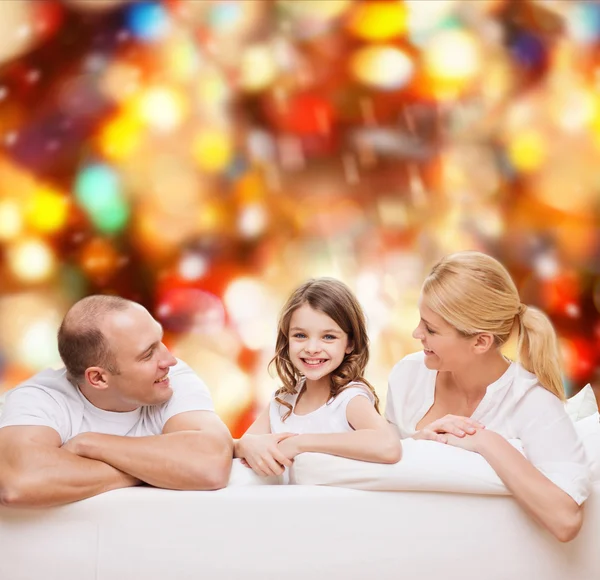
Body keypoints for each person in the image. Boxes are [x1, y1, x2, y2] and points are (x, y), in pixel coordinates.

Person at [385, 251, 592, 542]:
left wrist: (486, 441)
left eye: (431, 329)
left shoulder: (531, 402)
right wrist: (419, 442)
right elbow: (384, 464)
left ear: (481, 342)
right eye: (421, 320)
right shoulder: (408, 375)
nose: (416, 332)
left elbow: (566, 520)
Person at [0, 295, 233, 508]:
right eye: (147, 353)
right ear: (99, 378)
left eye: (160, 342)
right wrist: (159, 471)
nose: (169, 359)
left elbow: (211, 465)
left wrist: (91, 444)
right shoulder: (38, 398)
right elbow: (18, 483)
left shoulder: (170, 378)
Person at [235, 278, 401, 477]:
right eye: (300, 336)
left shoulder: (349, 399)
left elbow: (389, 446)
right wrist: (245, 445)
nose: (312, 348)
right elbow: (239, 448)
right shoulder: (282, 402)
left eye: (328, 337)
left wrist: (300, 443)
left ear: (350, 344)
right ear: (286, 340)